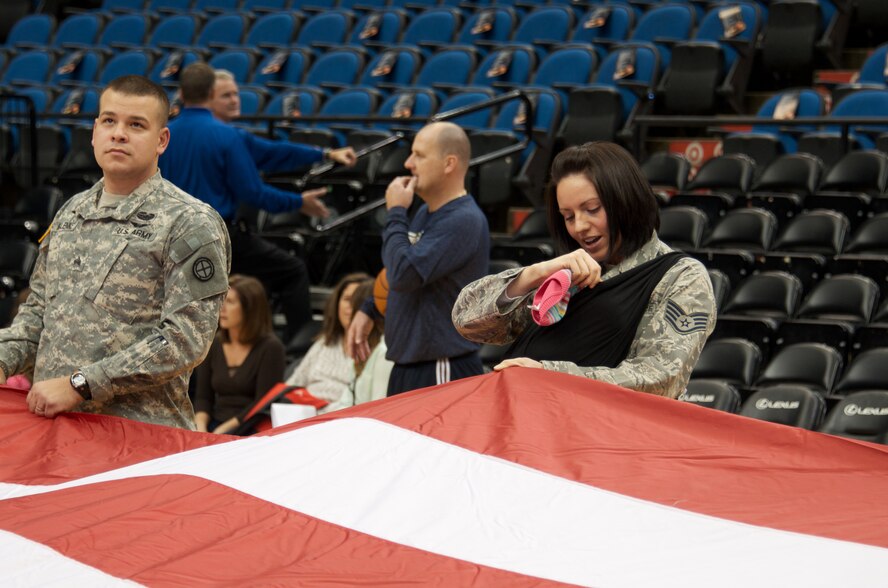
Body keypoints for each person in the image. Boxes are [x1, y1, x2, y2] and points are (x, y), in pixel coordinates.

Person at [0, 75, 231, 428]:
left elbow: (186, 340)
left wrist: (83, 384)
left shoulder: (190, 221)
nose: (119, 133)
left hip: (137, 437)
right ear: (94, 132)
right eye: (109, 121)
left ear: (161, 140)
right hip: (55, 430)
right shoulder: (72, 212)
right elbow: (37, 315)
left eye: (136, 125)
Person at [452, 142, 716, 399]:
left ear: (626, 201)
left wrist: (547, 374)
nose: (579, 227)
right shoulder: (569, 271)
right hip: (521, 420)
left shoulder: (682, 277)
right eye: (568, 216)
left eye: (592, 210)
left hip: (596, 434)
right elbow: (468, 323)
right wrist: (533, 274)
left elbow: (661, 379)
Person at [159, 62, 327, 341]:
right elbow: (253, 193)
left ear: (181, 93)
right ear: (212, 92)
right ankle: (299, 350)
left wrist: (324, 154)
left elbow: (270, 152)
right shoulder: (227, 136)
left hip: (169, 236)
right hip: (217, 237)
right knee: (292, 270)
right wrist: (298, 202)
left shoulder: (163, 135)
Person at [347, 122, 489, 396]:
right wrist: (371, 308)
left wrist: (397, 212)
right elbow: (399, 271)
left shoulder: (463, 220)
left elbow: (403, 273)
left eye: (419, 155)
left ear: (449, 164)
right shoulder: (426, 212)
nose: (408, 163)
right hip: (411, 365)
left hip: (441, 367)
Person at [210, 69, 358, 173]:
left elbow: (277, 151)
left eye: (235, 94)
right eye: (226, 96)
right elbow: (254, 192)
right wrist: (299, 202)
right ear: (207, 99)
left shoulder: (234, 136)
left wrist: (327, 153)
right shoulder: (231, 137)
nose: (234, 101)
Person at [194, 275, 285, 434]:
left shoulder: (271, 347)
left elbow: (262, 404)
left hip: (251, 429)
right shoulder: (215, 343)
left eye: (230, 302)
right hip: (214, 425)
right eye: (222, 300)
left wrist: (222, 431)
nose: (222, 308)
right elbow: (203, 397)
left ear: (249, 308)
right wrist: (201, 429)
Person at [285, 273, 370, 413]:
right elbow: (293, 384)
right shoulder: (325, 342)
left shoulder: (377, 351)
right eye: (347, 299)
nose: (351, 306)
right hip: (301, 417)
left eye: (358, 300)